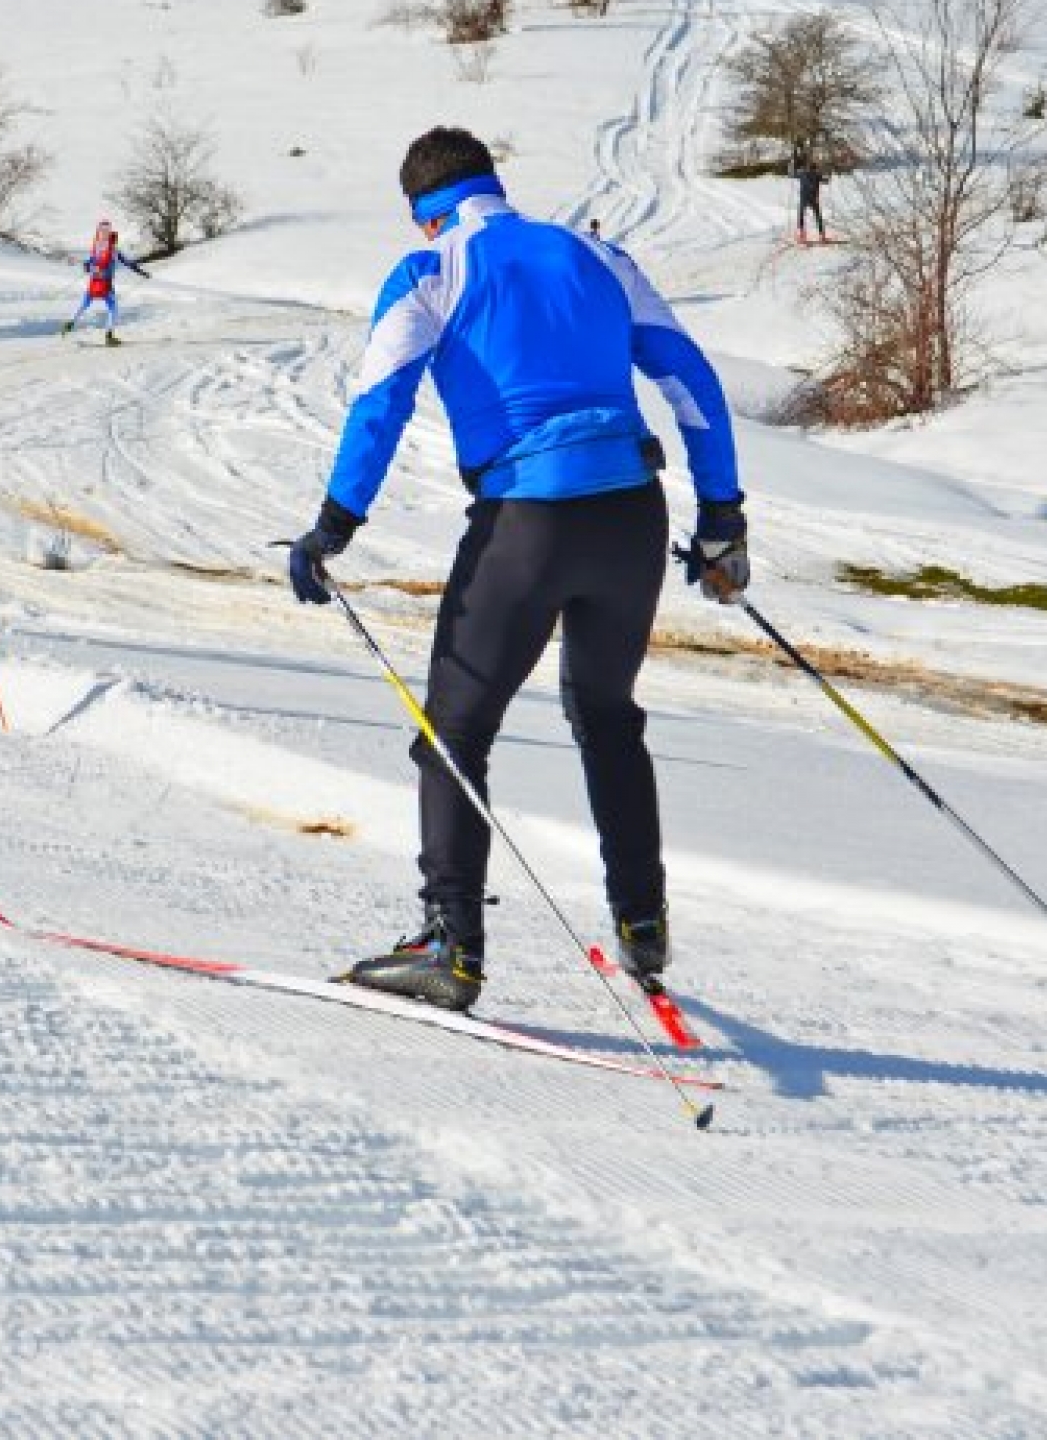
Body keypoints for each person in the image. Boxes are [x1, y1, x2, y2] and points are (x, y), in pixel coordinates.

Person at [286, 126, 749, 1012]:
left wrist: (333, 526)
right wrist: (722, 515)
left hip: (526, 525)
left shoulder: (429, 271)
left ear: (423, 214)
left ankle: (450, 944)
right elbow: (691, 380)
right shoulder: (596, 251)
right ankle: (641, 921)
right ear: (496, 183)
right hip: (631, 518)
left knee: (452, 733)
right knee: (607, 715)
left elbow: (379, 403)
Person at [61, 220, 152, 345]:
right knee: (112, 308)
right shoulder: (114, 252)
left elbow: (87, 264)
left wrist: (89, 268)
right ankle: (109, 336)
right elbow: (129, 264)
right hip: (106, 285)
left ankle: (70, 323)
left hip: (93, 283)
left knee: (84, 304)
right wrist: (142, 273)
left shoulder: (97, 249)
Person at [790, 149, 830, 244]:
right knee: (818, 216)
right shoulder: (817, 175)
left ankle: (801, 235)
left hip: (804, 199)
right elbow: (826, 181)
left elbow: (791, 174)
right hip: (814, 199)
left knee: (801, 216)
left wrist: (791, 164)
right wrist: (828, 172)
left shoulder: (801, 174)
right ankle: (822, 236)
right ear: (815, 168)